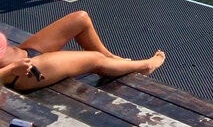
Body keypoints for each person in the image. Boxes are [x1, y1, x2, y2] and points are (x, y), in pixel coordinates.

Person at [1, 11, 165, 91]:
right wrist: (12, 69)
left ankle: (112, 59)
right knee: (95, 59)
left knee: (81, 19)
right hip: (19, 74)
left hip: (22, 53)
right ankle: (145, 65)